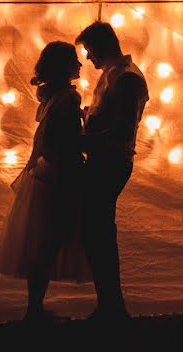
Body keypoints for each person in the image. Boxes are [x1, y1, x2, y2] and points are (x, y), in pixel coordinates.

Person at [0, 41, 90, 323]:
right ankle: (35, 311)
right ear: (64, 66)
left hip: (43, 175)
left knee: (41, 245)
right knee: (48, 245)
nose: (81, 65)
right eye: (75, 60)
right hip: (60, 179)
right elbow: (67, 142)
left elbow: (50, 137)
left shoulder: (50, 97)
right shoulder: (68, 99)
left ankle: (34, 308)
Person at [75, 20, 149, 323]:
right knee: (97, 232)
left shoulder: (127, 80)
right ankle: (108, 305)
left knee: (100, 233)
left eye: (90, 52)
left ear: (103, 47)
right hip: (102, 160)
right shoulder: (112, 76)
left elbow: (120, 132)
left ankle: (112, 307)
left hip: (111, 163)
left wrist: (78, 139)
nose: (88, 60)